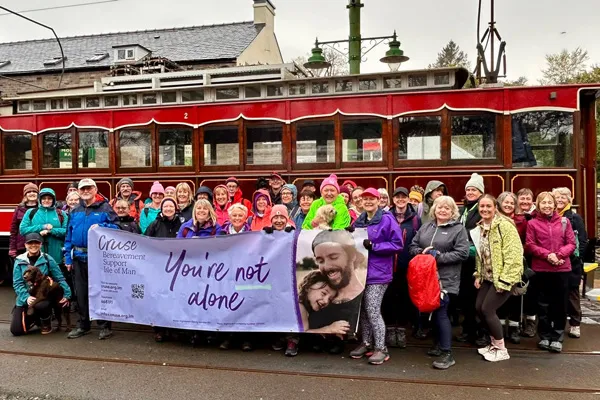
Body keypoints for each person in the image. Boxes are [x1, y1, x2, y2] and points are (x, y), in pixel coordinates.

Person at [409, 196, 470, 369]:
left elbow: (462, 253)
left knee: (441, 311)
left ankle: (447, 352)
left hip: (446, 279)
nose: (443, 210)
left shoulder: (458, 229)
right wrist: (422, 252)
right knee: (433, 312)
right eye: (440, 207)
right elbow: (412, 246)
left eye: (447, 208)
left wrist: (438, 257)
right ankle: (438, 345)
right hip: (425, 279)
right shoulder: (426, 226)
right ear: (434, 209)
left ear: (453, 212)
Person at [349, 188, 403, 365]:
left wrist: (375, 246)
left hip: (379, 273)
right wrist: (349, 233)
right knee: (364, 310)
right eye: (365, 199)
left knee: (372, 309)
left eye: (372, 199)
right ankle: (366, 342)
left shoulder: (387, 219)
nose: (368, 202)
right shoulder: (361, 220)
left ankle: (381, 348)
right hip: (362, 272)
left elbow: (397, 244)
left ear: (379, 200)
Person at [64, 178, 119, 340]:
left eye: (89, 188)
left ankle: (104, 326)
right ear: (78, 191)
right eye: (83, 189)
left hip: (98, 258)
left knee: (101, 291)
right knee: (81, 293)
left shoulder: (105, 208)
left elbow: (116, 227)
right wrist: (67, 258)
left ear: (95, 190)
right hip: (78, 257)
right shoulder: (75, 210)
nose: (86, 191)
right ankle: (83, 325)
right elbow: (69, 235)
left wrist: (103, 227)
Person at [472, 195, 524, 362]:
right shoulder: (481, 227)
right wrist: (478, 274)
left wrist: (505, 281)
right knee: (479, 307)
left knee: (488, 309)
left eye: (488, 206)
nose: (485, 209)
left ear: (495, 207)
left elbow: (514, 255)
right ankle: (493, 343)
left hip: (503, 277)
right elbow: (481, 255)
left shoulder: (504, 226)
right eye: (482, 207)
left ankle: (501, 348)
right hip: (488, 277)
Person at [525, 192, 576, 353]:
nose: (547, 205)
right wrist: (548, 255)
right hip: (541, 269)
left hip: (561, 269)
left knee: (560, 304)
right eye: (543, 203)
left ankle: (558, 336)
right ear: (538, 205)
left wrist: (558, 255)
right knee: (542, 305)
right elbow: (530, 245)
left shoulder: (564, 221)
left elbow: (571, 243)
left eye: (549, 202)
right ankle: (545, 336)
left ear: (554, 205)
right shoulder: (532, 223)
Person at [309, 230, 367, 354]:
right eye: (320, 261)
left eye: (333, 257)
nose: (327, 266)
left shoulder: (364, 295)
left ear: (352, 256)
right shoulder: (319, 296)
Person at [10, 233, 71, 336]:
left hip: (42, 296)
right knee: (16, 331)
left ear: (41, 245)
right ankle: (35, 319)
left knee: (42, 305)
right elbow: (17, 283)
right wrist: (26, 298)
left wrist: (67, 295)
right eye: (30, 243)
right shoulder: (19, 260)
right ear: (25, 245)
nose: (33, 245)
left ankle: (46, 322)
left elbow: (60, 278)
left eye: (36, 243)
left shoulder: (47, 259)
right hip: (25, 298)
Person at [385, 187, 424, 340]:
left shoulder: (415, 218)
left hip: (406, 265)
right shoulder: (386, 216)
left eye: (403, 197)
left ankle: (401, 330)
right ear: (393, 200)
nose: (400, 200)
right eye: (397, 197)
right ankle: (389, 330)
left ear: (408, 199)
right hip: (387, 264)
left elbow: (418, 239)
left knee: (404, 297)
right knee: (388, 298)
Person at [145, 197, 184, 342]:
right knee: (159, 297)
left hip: (177, 267)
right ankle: (159, 329)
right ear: (161, 209)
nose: (168, 209)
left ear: (175, 208)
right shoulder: (155, 224)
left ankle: (174, 328)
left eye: (171, 206)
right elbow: (145, 242)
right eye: (165, 206)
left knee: (175, 298)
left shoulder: (182, 224)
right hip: (159, 267)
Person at [552, 187, 587, 339]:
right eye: (557, 197)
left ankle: (575, 324)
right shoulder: (551, 216)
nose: (560, 200)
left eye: (563, 197)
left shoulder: (574, 218)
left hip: (571, 262)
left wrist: (575, 258)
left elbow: (583, 241)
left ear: (569, 199)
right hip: (554, 262)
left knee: (572, 294)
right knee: (557, 294)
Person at [218, 203, 253, 351]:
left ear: (245, 217)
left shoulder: (252, 233)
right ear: (229, 217)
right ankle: (228, 336)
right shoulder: (222, 232)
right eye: (234, 215)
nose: (237, 218)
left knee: (245, 304)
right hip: (227, 273)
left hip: (244, 273)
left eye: (240, 215)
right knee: (228, 304)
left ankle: (246, 338)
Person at [456, 173, 485, 345]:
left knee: (478, 299)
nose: (470, 192)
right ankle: (468, 330)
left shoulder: (481, 209)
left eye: (474, 189)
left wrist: (461, 237)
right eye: (468, 189)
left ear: (480, 192)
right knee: (466, 297)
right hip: (464, 261)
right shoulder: (464, 210)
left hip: (477, 259)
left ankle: (481, 333)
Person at [496, 191, 528, 343]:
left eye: (511, 203)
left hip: (514, 262)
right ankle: (501, 326)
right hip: (498, 263)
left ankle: (515, 328)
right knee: (500, 296)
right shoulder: (495, 219)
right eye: (505, 202)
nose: (508, 205)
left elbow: (526, 241)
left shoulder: (522, 221)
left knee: (515, 296)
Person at [19, 188, 68, 270]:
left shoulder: (61, 214)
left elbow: (66, 231)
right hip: (36, 255)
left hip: (56, 255)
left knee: (56, 281)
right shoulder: (31, 212)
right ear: (40, 200)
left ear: (53, 200)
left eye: (49, 198)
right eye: (44, 198)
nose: (46, 200)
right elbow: (23, 230)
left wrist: (51, 231)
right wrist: (42, 227)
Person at [9, 183, 39, 260]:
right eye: (29, 192)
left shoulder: (41, 209)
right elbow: (14, 230)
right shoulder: (19, 209)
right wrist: (12, 248)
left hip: (38, 245)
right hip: (21, 245)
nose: (32, 193)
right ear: (25, 195)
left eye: (34, 191)